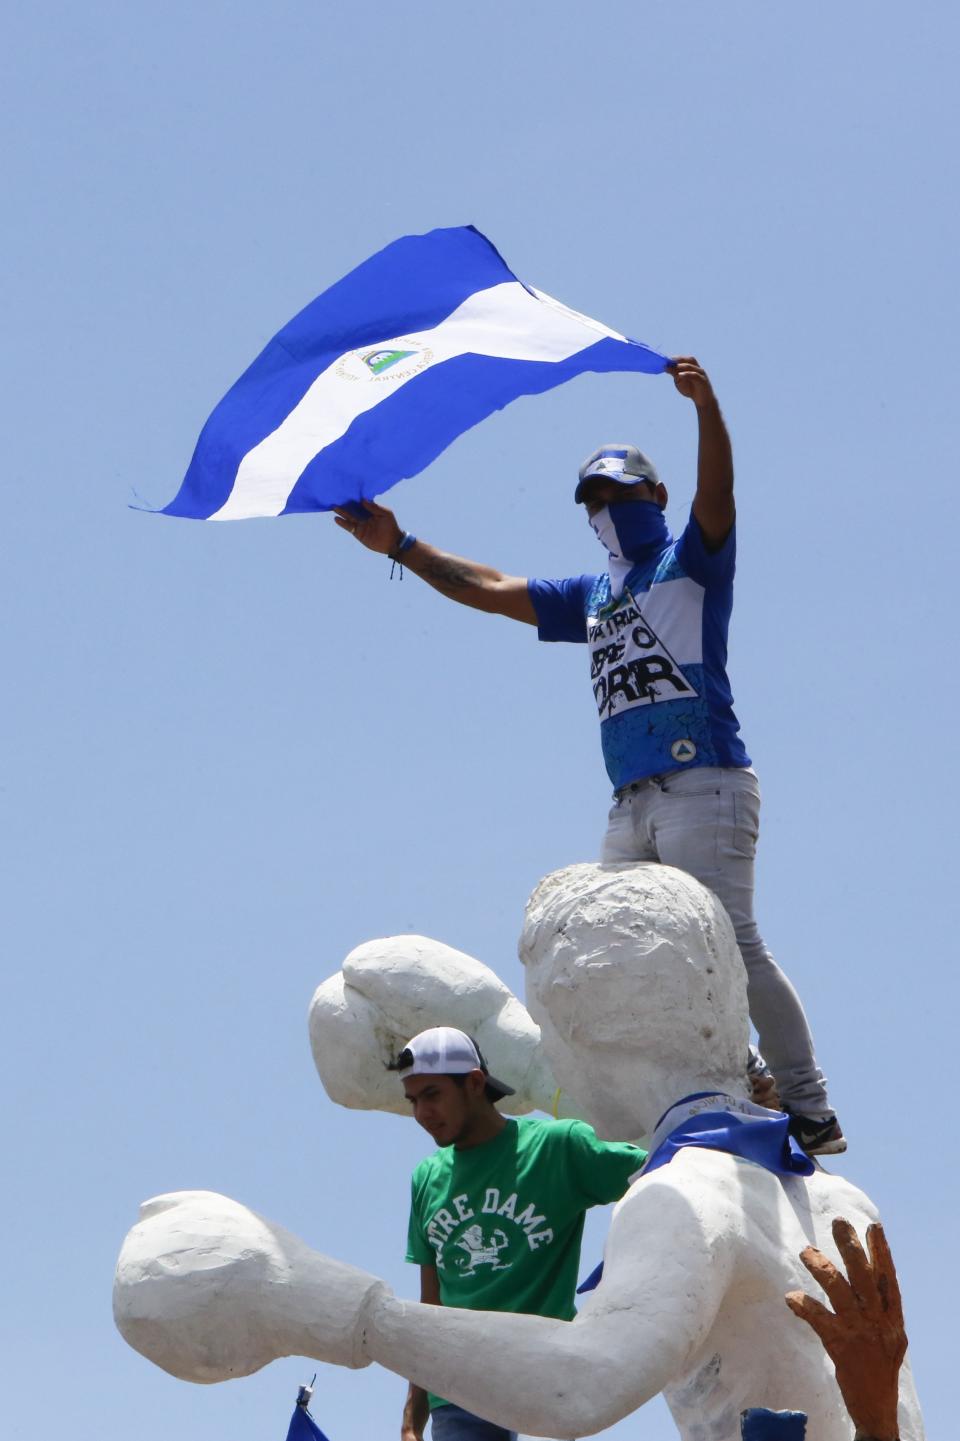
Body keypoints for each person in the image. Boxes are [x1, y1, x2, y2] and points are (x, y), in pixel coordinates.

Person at [332, 357, 841, 1154]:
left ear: (657, 497)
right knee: (615, 939)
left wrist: (706, 409)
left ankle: (809, 1103)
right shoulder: (594, 596)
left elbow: (719, 499)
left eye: (622, 493)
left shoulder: (690, 566)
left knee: (730, 937)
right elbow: (488, 587)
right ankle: (738, 1075)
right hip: (631, 800)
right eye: (595, 501)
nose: (608, 509)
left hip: (703, 778)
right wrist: (399, 542)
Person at [392, 1025, 646, 1441]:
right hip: (458, 1392)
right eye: (413, 1100)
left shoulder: (559, 1147)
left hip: (545, 1377)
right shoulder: (426, 1178)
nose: (421, 1113)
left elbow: (668, 1172)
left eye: (432, 1095)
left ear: (474, 1083)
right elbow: (431, 1307)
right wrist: (410, 1421)